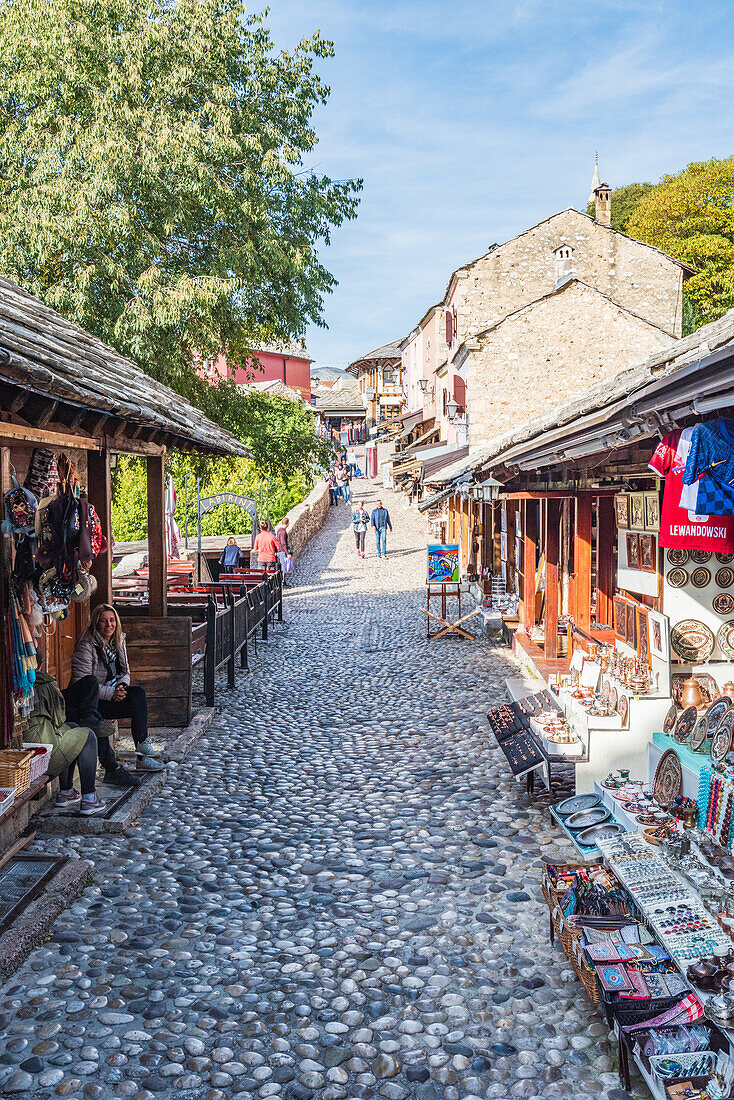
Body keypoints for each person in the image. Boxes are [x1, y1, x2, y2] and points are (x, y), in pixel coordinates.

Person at [70, 604, 164, 781]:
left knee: (137, 695)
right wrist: (110, 693)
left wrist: (121, 688)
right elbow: (81, 684)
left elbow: (125, 671)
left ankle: (143, 752)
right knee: (95, 718)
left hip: (109, 694)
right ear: (96, 623)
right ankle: (111, 768)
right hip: (88, 702)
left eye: (112, 620)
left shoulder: (118, 640)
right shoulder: (87, 644)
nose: (109, 625)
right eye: (104, 621)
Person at [27, 668, 107, 815]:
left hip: (23, 748)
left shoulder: (13, 682)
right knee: (88, 735)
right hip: (41, 755)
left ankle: (66, 791)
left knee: (72, 727)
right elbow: (59, 718)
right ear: (38, 665)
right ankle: (90, 798)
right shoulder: (44, 682)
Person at [275, 517, 292, 584]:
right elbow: (283, 543)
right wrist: (287, 553)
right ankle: (282, 581)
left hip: (279, 550)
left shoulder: (279, 530)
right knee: (283, 567)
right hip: (281, 551)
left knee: (281, 566)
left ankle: (282, 581)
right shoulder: (283, 532)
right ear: (287, 523)